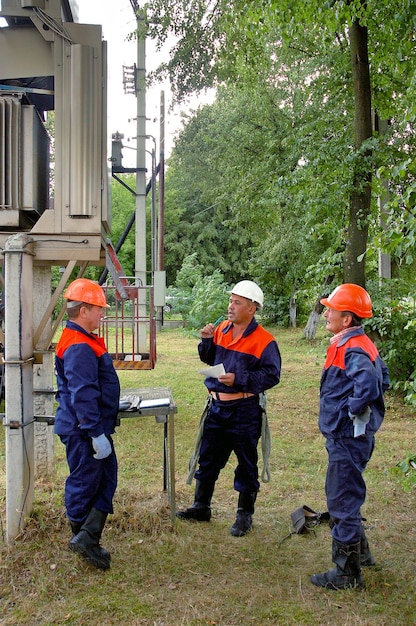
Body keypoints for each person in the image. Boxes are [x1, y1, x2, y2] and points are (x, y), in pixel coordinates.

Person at [176, 280, 281, 536]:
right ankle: (201, 506)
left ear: (252, 309)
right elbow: (211, 359)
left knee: (246, 462)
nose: (230, 307)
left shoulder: (265, 341)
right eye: (230, 301)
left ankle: (244, 515)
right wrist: (206, 342)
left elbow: (272, 375)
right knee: (209, 456)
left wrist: (239, 379)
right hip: (217, 407)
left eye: (237, 302)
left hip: (244, 410)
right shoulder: (222, 329)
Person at [311, 283, 389, 590]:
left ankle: (346, 573)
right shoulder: (356, 342)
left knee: (342, 498)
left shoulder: (353, 347)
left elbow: (370, 385)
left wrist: (350, 410)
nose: (327, 312)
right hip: (350, 436)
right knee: (347, 493)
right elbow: (385, 378)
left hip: (347, 437)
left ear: (348, 318)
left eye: (332, 309)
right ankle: (362, 554)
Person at [54, 278, 120, 570]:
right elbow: (82, 393)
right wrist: (94, 432)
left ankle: (87, 537)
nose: (102, 314)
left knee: (105, 478)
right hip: (84, 431)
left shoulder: (82, 338)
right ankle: (83, 538)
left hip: (90, 428)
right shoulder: (79, 344)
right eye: (98, 309)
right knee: (85, 483)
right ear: (83, 310)